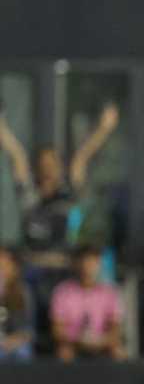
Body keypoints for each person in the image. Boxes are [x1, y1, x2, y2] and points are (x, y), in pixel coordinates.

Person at [0, 104, 119, 270]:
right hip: (32, 266)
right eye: (43, 165)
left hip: (62, 267)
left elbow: (82, 156)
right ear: (37, 168)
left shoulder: (68, 192)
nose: (48, 170)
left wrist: (103, 129)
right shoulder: (30, 193)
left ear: (59, 168)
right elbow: (17, 155)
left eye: (52, 165)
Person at [50, 246, 124, 361]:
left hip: (102, 343)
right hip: (73, 343)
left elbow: (116, 328)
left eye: (92, 262)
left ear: (99, 264)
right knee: (64, 353)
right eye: (84, 262)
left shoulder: (110, 292)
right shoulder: (62, 291)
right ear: (76, 264)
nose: (87, 267)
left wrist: (101, 341)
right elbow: (57, 330)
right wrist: (78, 340)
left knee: (118, 352)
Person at [0, 247, 34, 362]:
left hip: (16, 342)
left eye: (4, 266)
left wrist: (12, 341)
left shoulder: (23, 292)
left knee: (22, 352)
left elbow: (29, 330)